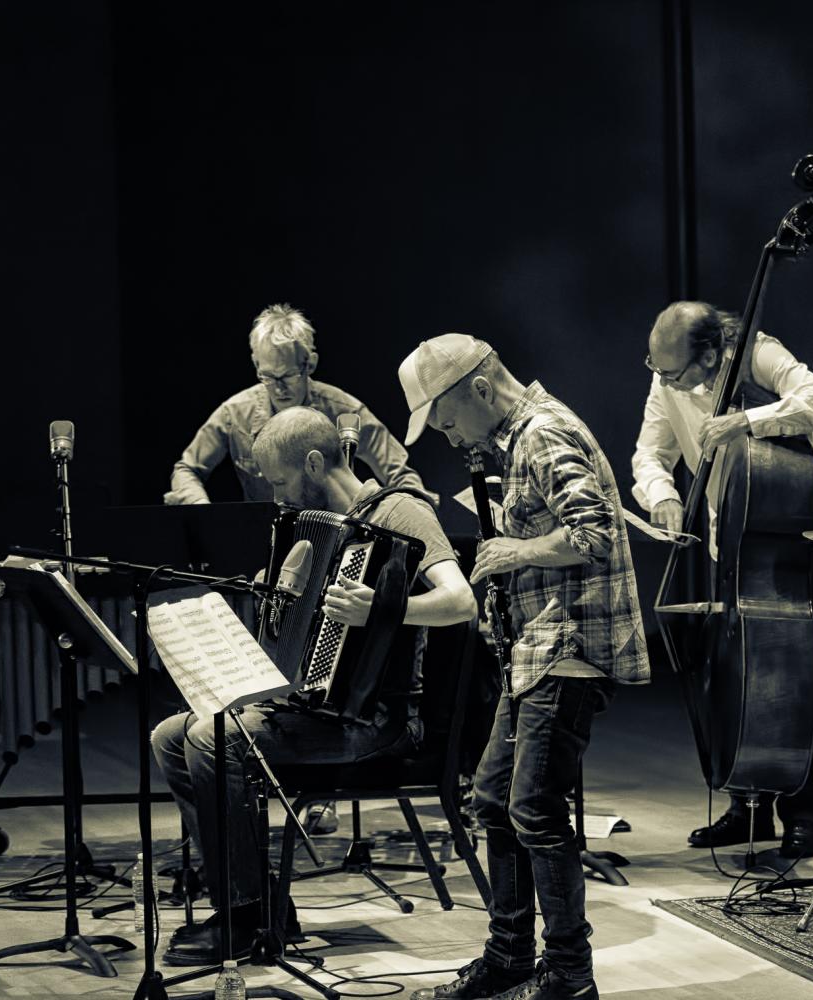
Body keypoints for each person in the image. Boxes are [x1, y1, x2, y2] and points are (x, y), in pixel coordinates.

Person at [151, 407, 475, 964]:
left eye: (279, 481)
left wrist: (383, 610)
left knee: (212, 737)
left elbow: (461, 602)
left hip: (377, 720)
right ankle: (261, 907)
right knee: (169, 736)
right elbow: (305, 632)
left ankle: (246, 913)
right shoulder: (319, 528)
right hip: (316, 708)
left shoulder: (401, 511)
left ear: (313, 462)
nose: (277, 497)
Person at [397, 334, 648, 1000]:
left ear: (480, 389)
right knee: (492, 802)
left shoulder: (543, 434)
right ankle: (509, 958)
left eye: (446, 421)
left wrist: (510, 553)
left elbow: (592, 534)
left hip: (570, 647)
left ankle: (570, 977)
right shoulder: (513, 443)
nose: (448, 438)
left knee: (534, 808)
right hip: (536, 648)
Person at [630, 300, 813, 855]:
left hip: (795, 538)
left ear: (709, 354)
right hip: (733, 541)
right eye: (658, 370)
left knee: (794, 678)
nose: (665, 380)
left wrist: (748, 419)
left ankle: (803, 810)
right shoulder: (667, 377)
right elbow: (649, 454)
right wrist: (665, 498)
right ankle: (746, 807)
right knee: (735, 675)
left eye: (672, 371)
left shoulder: (757, 355)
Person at [167, 303, 424, 505]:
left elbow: (403, 477)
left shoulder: (346, 412)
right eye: (268, 376)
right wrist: (202, 508)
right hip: (265, 545)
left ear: (309, 364)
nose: (278, 387)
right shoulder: (234, 414)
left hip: (336, 543)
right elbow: (186, 470)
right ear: (256, 365)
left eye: (288, 376)